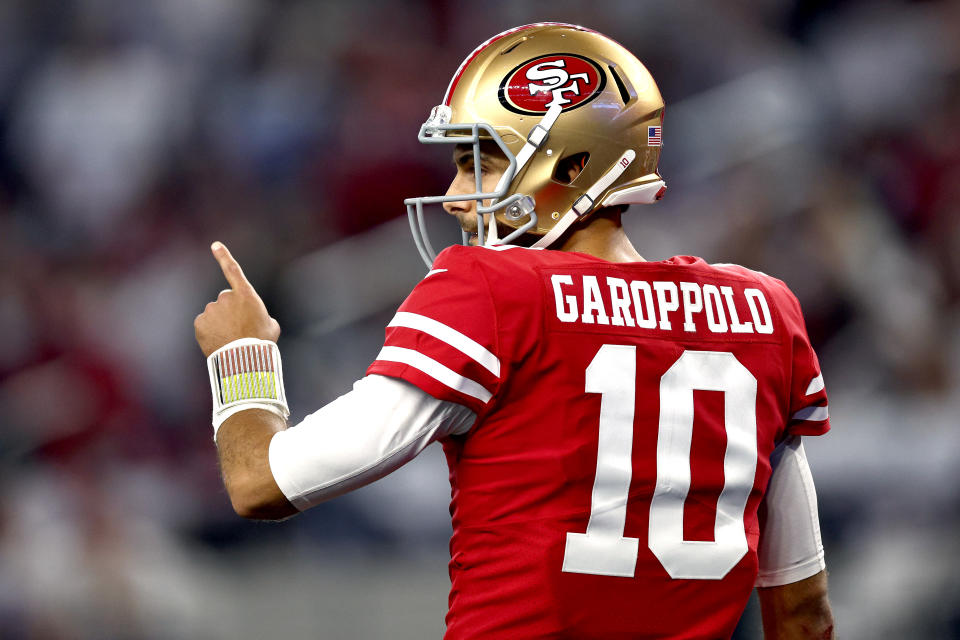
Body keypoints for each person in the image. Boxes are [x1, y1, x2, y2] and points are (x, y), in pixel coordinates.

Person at [194, 22, 835, 639]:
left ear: (572, 166)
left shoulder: (496, 293)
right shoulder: (766, 314)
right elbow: (803, 610)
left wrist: (241, 355)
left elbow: (264, 484)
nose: (452, 195)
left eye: (482, 165)